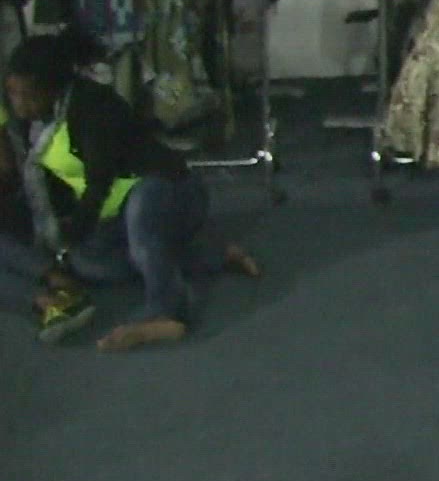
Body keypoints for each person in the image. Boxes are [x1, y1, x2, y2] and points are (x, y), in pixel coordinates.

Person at [0, 31, 257, 351]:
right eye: (13, 93)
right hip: (114, 210)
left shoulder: (92, 105)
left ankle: (167, 313)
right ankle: (211, 255)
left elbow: (99, 181)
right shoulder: (38, 122)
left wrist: (75, 230)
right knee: (89, 265)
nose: (19, 105)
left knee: (142, 225)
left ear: (53, 88)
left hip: (168, 189)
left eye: (28, 96)